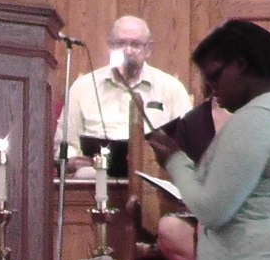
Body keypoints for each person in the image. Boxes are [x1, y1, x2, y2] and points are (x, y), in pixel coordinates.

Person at [148, 19, 270, 260]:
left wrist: (174, 161)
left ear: (240, 65)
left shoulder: (253, 119)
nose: (212, 91)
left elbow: (211, 211)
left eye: (214, 77)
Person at [53, 15, 192, 173]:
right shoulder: (83, 87)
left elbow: (189, 143)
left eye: (135, 44)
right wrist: (72, 160)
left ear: (148, 49)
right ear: (110, 46)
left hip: (154, 172)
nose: (128, 51)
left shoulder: (171, 88)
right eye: (120, 44)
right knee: (85, 174)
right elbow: (64, 143)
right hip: (97, 171)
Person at [153, 89, 231, 260]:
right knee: (170, 228)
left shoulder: (259, 118)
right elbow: (186, 178)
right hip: (203, 214)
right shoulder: (193, 121)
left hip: (249, 213)